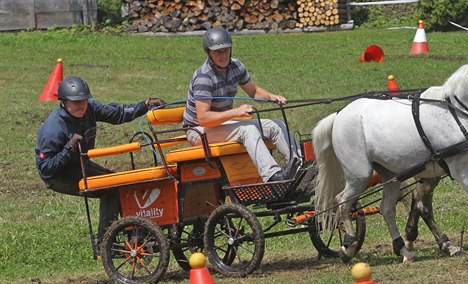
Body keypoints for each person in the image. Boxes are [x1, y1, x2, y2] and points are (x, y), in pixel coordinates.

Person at [35, 76, 165, 246]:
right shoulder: (53, 129)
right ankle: (105, 245)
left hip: (80, 164)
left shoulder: (90, 108)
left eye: (83, 100)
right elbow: (45, 169)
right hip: (59, 175)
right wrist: (68, 148)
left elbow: (117, 114)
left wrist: (145, 105)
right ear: (64, 102)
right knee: (110, 190)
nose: (81, 105)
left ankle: (134, 233)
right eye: (76, 102)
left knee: (120, 183)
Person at [183, 27, 300, 182]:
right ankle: (273, 177)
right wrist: (236, 112)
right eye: (218, 52)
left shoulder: (236, 66)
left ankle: (300, 166)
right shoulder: (204, 77)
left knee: (275, 125)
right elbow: (204, 118)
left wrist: (272, 96)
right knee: (248, 130)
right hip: (198, 131)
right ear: (208, 53)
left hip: (223, 123)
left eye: (226, 50)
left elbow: (254, 91)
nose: (223, 55)